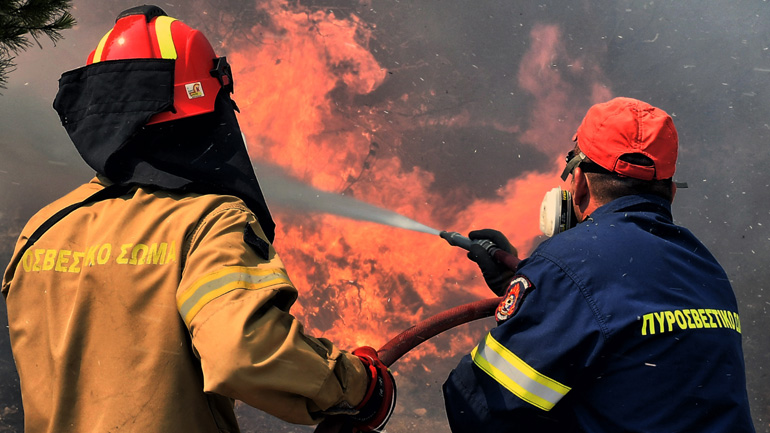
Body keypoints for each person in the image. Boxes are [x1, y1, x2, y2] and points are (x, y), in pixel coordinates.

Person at [1, 5, 395, 433]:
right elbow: (242, 348)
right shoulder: (208, 221)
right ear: (208, 110)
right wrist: (357, 385)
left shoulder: (43, 229)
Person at [443, 97, 755, 432]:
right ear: (671, 192)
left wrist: (548, 286)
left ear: (578, 183)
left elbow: (479, 408)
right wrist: (531, 291)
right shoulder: (704, 266)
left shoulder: (568, 263)